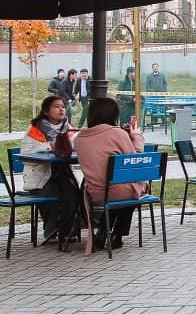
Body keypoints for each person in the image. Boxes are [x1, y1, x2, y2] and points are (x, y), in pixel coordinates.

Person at [74, 97, 146, 250]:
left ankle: (102, 230)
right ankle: (117, 235)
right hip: (122, 191)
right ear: (114, 115)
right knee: (133, 190)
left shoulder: (80, 138)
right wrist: (137, 137)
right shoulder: (117, 133)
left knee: (118, 188)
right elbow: (135, 160)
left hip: (95, 193)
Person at [20, 96, 75, 245]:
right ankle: (51, 232)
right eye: (56, 106)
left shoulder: (67, 127)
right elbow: (25, 155)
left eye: (63, 106)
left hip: (62, 173)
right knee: (51, 193)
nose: (61, 109)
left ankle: (66, 232)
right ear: (46, 111)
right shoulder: (35, 130)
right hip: (40, 175)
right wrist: (49, 146)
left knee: (73, 194)